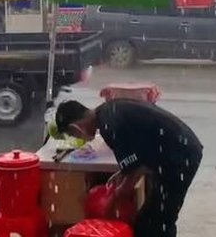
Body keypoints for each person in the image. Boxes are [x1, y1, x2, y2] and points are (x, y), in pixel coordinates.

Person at [55, 99, 203, 237]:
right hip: (178, 148)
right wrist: (123, 172)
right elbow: (135, 156)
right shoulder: (107, 112)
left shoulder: (109, 125)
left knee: (156, 223)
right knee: (154, 218)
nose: (79, 138)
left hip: (180, 157)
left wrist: (111, 202)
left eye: (73, 134)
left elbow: (133, 173)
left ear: (75, 128)